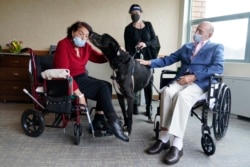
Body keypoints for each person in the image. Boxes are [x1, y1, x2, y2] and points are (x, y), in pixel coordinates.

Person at [137, 21, 224, 165]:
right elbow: (169, 59)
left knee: (182, 96)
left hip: (200, 82)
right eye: (196, 30)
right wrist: (148, 62)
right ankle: (164, 138)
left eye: (200, 31)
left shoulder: (216, 48)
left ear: (209, 35)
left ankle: (177, 144)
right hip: (182, 80)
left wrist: (194, 76)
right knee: (166, 92)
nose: (196, 33)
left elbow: (218, 67)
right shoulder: (187, 47)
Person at [53, 21, 129, 142]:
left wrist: (114, 52)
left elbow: (98, 58)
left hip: (81, 77)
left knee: (107, 85)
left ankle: (98, 121)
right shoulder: (63, 44)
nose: (83, 38)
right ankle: (113, 121)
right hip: (68, 80)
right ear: (73, 32)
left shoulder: (85, 47)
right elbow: (65, 73)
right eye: (80, 33)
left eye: (86, 36)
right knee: (102, 88)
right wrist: (79, 94)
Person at [124, 4, 158, 122]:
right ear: (130, 14)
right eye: (132, 13)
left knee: (148, 83)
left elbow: (154, 41)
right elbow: (128, 47)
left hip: (148, 58)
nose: (135, 15)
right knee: (133, 83)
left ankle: (149, 108)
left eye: (137, 13)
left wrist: (145, 44)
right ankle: (134, 105)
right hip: (135, 60)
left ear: (141, 13)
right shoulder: (128, 29)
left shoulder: (148, 25)